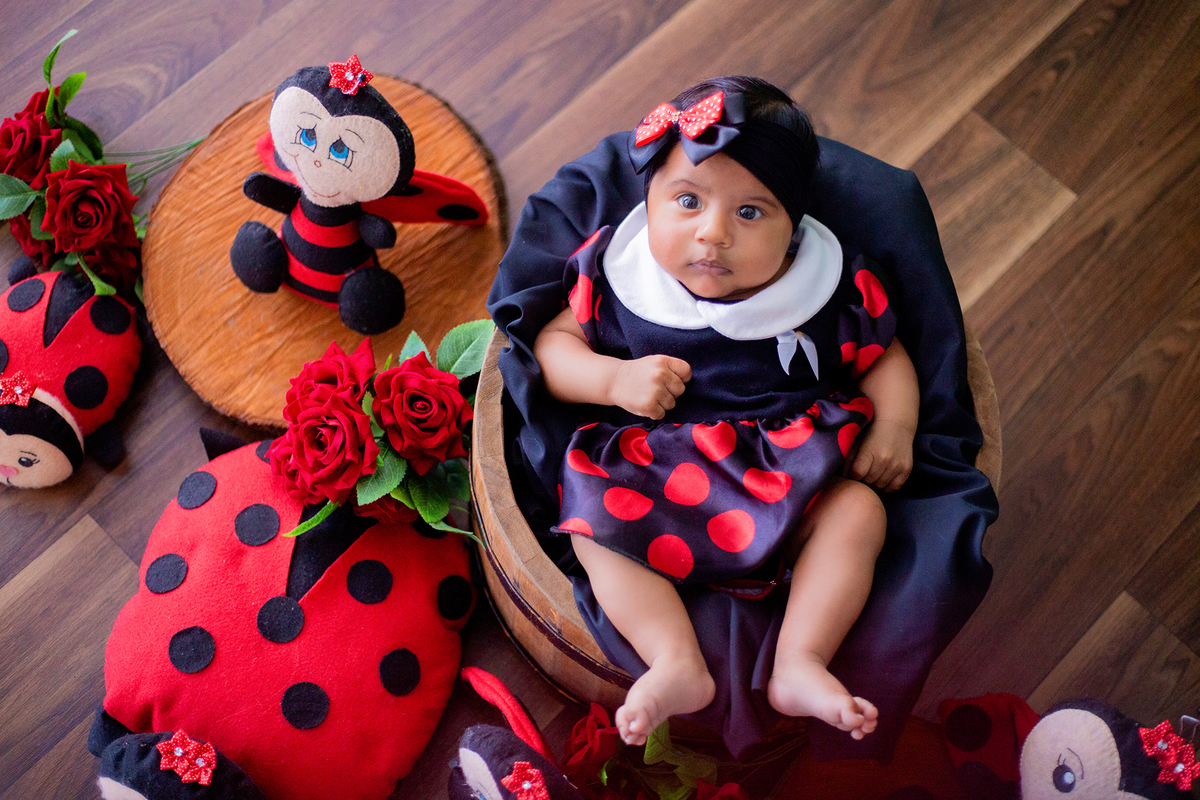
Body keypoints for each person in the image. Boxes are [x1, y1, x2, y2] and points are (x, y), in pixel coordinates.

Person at [531, 76, 920, 746]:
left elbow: (884, 356)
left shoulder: (824, 288)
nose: (712, 235)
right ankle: (675, 658)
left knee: (860, 512)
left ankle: (800, 659)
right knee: (588, 520)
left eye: (750, 214)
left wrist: (896, 425)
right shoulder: (625, 281)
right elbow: (554, 346)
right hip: (660, 479)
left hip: (789, 476)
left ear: (794, 228)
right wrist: (613, 379)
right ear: (647, 200)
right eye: (687, 201)